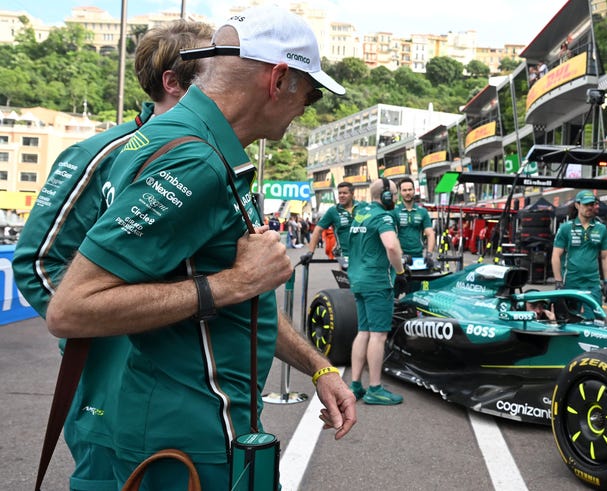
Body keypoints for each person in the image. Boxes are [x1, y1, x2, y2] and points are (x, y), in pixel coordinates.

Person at [44, 6, 355, 488]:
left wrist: (317, 368)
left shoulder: (192, 143)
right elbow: (71, 309)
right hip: (189, 438)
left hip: (191, 427)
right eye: (310, 95)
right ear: (277, 80)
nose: (306, 109)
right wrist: (232, 283)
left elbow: (235, 301)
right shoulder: (195, 159)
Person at [12, 19, 213, 491]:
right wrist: (98, 322)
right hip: (109, 385)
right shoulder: (99, 151)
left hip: (180, 390)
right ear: (172, 82)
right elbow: (36, 261)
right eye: (213, 72)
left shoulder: (207, 157)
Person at [347, 178, 408, 405]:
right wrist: (400, 272)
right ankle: (374, 388)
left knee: (363, 331)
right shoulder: (384, 216)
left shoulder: (360, 213)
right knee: (378, 335)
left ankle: (355, 385)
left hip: (358, 279)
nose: (396, 198)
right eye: (393, 193)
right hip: (377, 282)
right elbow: (391, 245)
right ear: (385, 196)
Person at [552, 190, 607, 305]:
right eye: (586, 204)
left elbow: (605, 257)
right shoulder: (566, 228)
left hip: (593, 283)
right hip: (570, 282)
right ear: (577, 205)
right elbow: (555, 255)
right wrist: (558, 281)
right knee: (571, 320)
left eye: (592, 204)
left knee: (595, 320)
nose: (589, 207)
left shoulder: (601, 229)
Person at [303, 181, 360, 261]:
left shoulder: (363, 207)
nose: (341, 196)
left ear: (352, 194)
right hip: (344, 256)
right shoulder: (333, 211)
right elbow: (318, 229)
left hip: (363, 255)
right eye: (339, 193)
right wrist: (310, 252)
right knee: (346, 273)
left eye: (345, 193)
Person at [393, 178, 436, 267]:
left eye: (410, 189)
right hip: (399, 256)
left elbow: (430, 234)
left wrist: (429, 254)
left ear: (414, 191)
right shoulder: (394, 211)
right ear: (400, 192)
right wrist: (401, 255)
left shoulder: (422, 211)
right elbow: (392, 235)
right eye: (404, 190)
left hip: (418, 256)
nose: (407, 193)